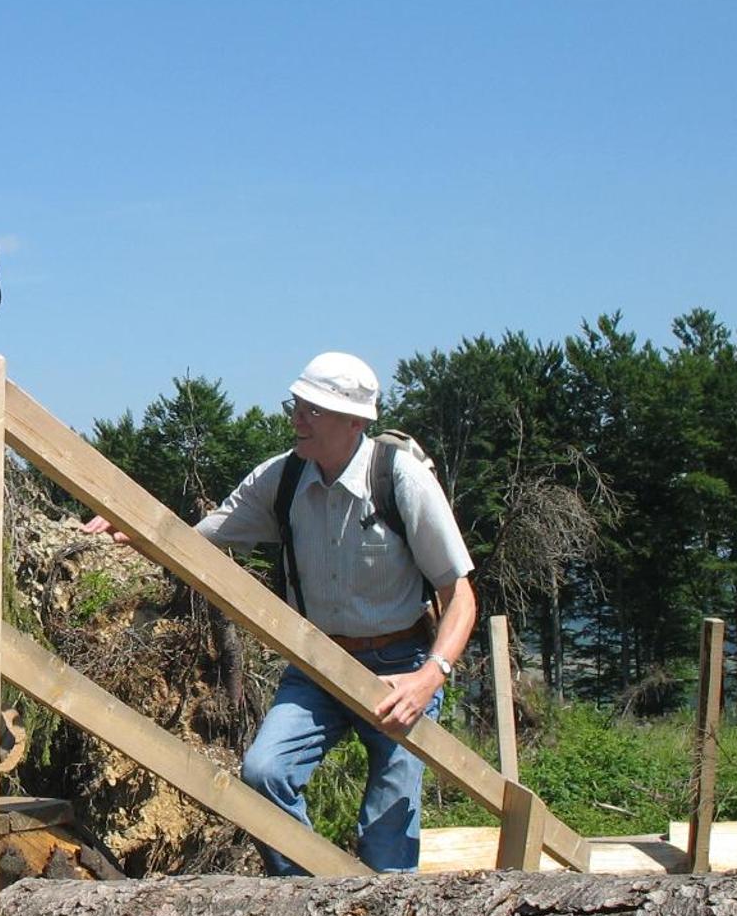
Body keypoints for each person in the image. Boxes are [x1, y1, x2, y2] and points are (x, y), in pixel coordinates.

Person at [91, 351, 476, 872]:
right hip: (316, 666)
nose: (297, 418)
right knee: (264, 773)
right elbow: (196, 538)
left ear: (356, 421)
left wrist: (431, 677)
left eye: (313, 409)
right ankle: (311, 899)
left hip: (401, 668)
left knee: (387, 837)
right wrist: (128, 528)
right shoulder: (282, 480)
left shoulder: (399, 480)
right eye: (296, 405)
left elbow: (459, 595)